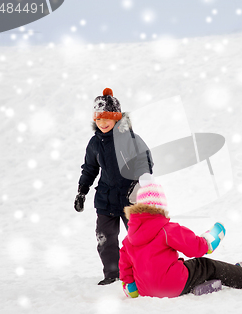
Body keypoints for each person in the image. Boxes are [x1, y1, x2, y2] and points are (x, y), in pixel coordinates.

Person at [119, 174, 242, 298]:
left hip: (146, 290)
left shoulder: (128, 240)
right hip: (172, 285)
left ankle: (197, 285)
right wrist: (206, 243)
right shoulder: (167, 230)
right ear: (159, 207)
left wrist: (131, 287)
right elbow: (193, 247)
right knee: (204, 265)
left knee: (187, 268)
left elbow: (125, 267)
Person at [74, 88, 153, 285]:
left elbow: (144, 159)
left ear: (116, 117)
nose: (102, 123)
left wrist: (142, 181)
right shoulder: (95, 143)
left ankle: (144, 272)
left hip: (130, 198)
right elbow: (90, 168)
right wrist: (82, 191)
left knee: (138, 238)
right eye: (98, 119)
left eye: (107, 118)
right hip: (106, 198)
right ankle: (112, 274)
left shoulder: (130, 139)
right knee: (105, 238)